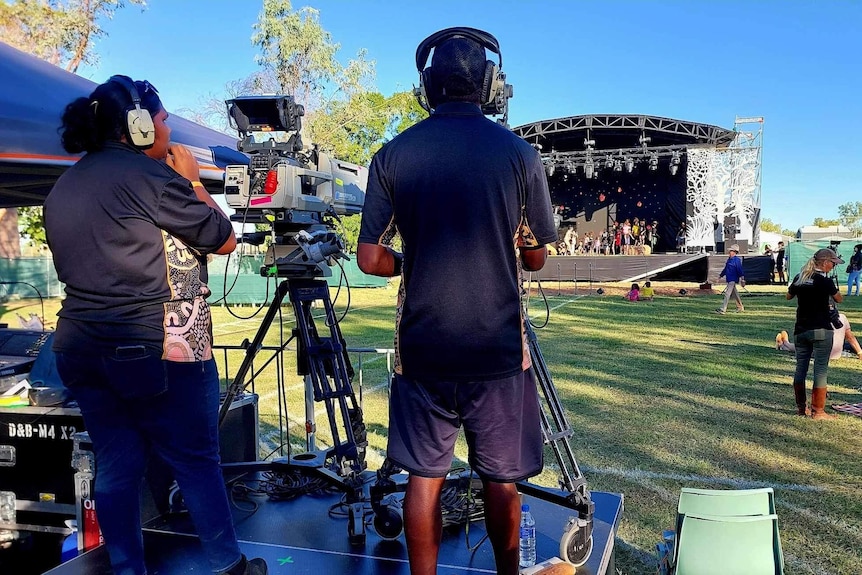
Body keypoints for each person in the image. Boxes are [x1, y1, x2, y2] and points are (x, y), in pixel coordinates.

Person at [43, 76, 267, 575]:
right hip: (153, 347)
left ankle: (128, 570)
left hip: (79, 346)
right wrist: (189, 179)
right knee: (195, 459)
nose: (168, 130)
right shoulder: (149, 179)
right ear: (139, 126)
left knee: (117, 465)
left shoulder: (64, 185)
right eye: (164, 120)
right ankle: (230, 566)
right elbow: (222, 238)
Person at [356, 28, 556, 575]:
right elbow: (537, 258)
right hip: (496, 352)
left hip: (423, 351)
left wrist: (411, 263)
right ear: (488, 85)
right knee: (501, 481)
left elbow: (371, 259)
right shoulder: (520, 155)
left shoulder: (392, 155)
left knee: (424, 481)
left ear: (427, 86)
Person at [786, 248, 844, 419]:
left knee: (800, 368)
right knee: (820, 370)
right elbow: (839, 298)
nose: (833, 266)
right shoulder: (824, 281)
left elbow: (788, 296)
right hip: (821, 330)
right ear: (825, 262)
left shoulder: (800, 277)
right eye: (833, 263)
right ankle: (818, 411)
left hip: (801, 330)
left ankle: (801, 408)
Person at [776, 312, 862, 359]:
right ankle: (786, 345)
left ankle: (785, 345)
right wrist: (859, 352)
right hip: (836, 354)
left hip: (822, 354)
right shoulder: (842, 317)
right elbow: (850, 338)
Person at [715, 244, 745, 314]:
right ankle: (740, 307)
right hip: (729, 279)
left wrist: (742, 279)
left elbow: (740, 270)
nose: (729, 252)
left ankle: (723, 309)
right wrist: (720, 276)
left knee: (727, 294)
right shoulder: (729, 260)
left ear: (734, 252)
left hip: (733, 279)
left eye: (731, 251)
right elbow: (725, 269)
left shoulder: (737, 260)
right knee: (735, 294)